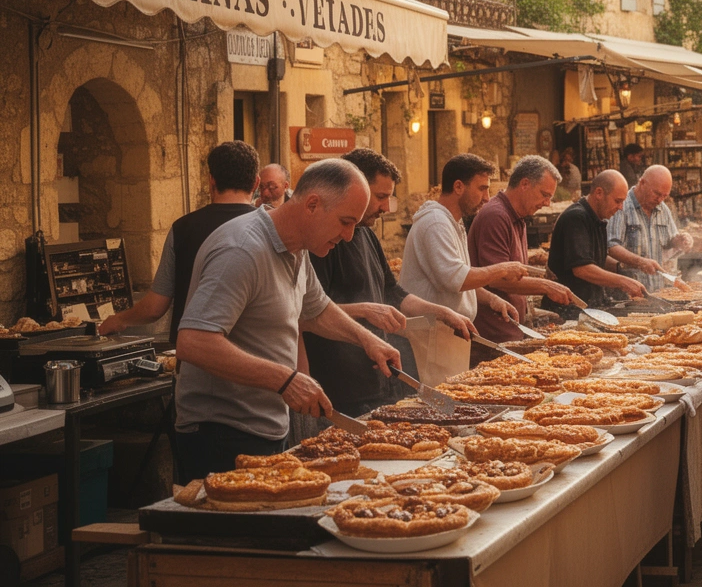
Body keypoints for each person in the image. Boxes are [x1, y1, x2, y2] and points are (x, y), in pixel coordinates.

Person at [173, 159, 401, 481]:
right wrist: (285, 379)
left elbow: (316, 308)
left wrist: (367, 339)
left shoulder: (298, 246)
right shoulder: (242, 250)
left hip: (265, 426)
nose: (349, 237)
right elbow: (193, 342)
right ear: (312, 204)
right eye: (345, 222)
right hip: (220, 433)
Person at [304, 149, 475, 416]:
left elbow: (392, 292)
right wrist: (365, 309)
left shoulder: (367, 236)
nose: (386, 207)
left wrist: (442, 313)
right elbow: (311, 311)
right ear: (356, 190)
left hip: (378, 376)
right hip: (341, 385)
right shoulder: (324, 241)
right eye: (381, 197)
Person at [99, 141, 260, 343]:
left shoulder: (183, 229)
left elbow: (154, 308)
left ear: (211, 181)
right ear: (256, 183)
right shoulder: (270, 228)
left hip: (194, 357)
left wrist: (119, 320)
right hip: (257, 360)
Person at [400, 153, 550, 334]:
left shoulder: (452, 222)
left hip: (445, 332)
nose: (487, 197)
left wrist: (491, 298)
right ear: (458, 187)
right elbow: (457, 279)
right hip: (430, 334)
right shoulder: (436, 222)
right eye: (481, 189)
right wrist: (502, 269)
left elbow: (458, 277)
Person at [468, 156, 566, 359]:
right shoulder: (496, 215)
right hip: (492, 337)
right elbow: (499, 280)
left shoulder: (517, 217)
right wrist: (546, 286)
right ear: (524, 184)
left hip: (509, 332)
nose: (547, 203)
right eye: (544, 195)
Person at [546, 170, 647, 311]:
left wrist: (622, 269)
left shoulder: (597, 218)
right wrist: (623, 282)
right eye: (617, 201)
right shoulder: (576, 217)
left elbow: (596, 256)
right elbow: (582, 268)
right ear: (599, 193)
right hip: (568, 310)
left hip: (590, 306)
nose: (620, 207)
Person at [607, 166, 694, 292]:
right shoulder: (622, 206)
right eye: (657, 194)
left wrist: (679, 241)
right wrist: (640, 262)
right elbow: (611, 246)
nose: (660, 200)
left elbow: (669, 241)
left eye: (664, 196)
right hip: (627, 292)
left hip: (657, 291)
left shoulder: (663, 209)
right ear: (642, 183)